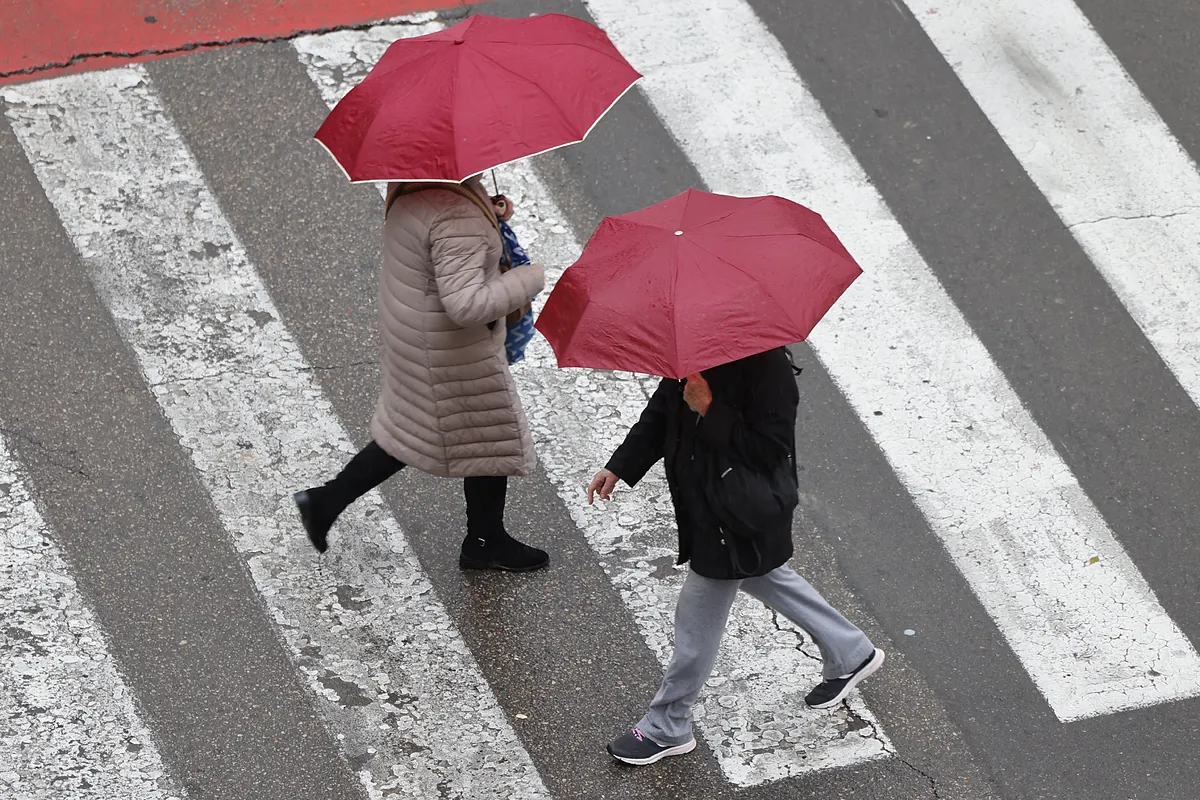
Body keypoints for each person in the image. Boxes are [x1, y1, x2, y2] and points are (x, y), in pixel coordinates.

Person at [588, 346, 884, 765]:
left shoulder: (767, 367)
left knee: (695, 623)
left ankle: (667, 725)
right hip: (711, 508)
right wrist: (619, 465)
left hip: (738, 514)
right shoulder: (693, 348)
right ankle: (852, 652)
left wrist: (710, 408)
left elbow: (770, 450)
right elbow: (661, 413)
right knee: (764, 574)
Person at [294, 174, 550, 572]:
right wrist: (527, 278)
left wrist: (488, 214)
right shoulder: (455, 214)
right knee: (480, 437)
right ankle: (485, 541)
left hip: (420, 334)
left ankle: (327, 503)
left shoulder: (413, 185)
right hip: (453, 349)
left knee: (444, 433)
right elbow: (466, 305)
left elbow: (444, 243)